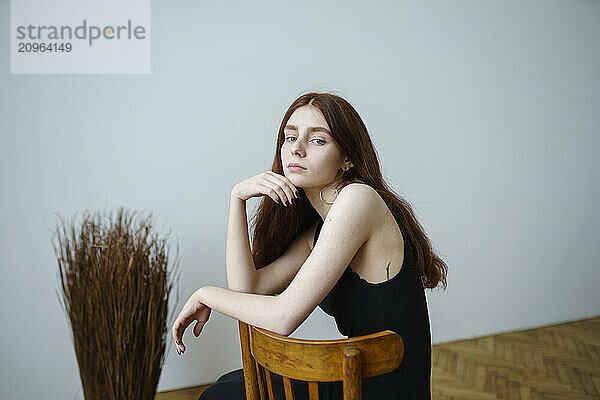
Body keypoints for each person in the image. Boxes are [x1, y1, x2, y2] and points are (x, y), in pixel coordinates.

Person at [172, 92, 448, 400]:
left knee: (223, 396)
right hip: (352, 378)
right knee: (226, 388)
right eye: (290, 137)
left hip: (380, 389)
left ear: (348, 159)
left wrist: (204, 294)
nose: (297, 149)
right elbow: (247, 289)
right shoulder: (318, 231)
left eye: (318, 140)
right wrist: (236, 200)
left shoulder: (359, 199)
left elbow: (282, 318)